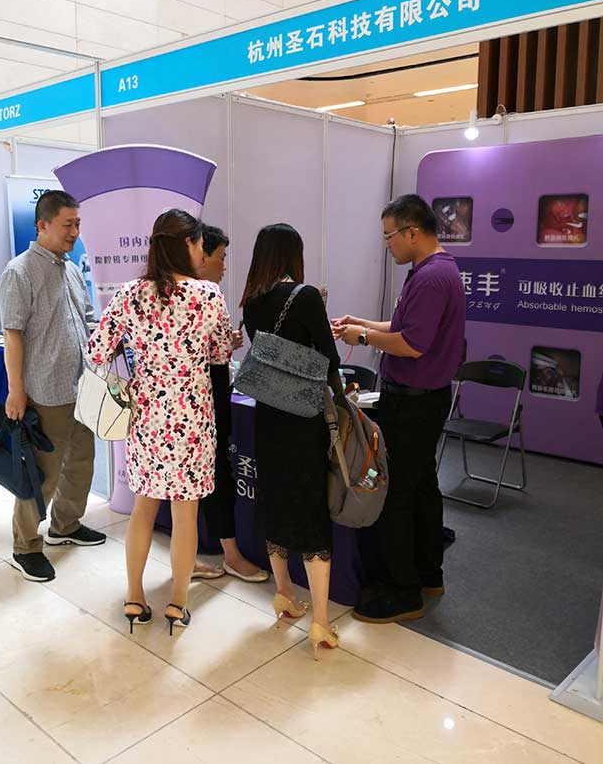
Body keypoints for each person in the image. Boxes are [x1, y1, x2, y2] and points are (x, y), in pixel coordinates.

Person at [86, 209, 232, 635]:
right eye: (199, 243)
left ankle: (134, 597)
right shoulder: (208, 296)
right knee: (186, 516)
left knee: (143, 509)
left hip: (147, 418)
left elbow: (96, 351)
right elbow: (221, 354)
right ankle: (177, 604)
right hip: (192, 421)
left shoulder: (131, 293)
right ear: (187, 244)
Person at [332, 194, 465, 624]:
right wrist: (362, 325)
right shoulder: (432, 271)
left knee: (396, 494)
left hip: (413, 403)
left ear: (412, 232)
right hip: (423, 399)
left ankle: (403, 591)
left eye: (389, 236)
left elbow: (411, 344)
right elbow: (404, 327)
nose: (387, 244)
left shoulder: (431, 278)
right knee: (422, 486)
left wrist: (362, 338)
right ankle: (428, 574)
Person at [241, 223, 340, 658]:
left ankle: (283, 593)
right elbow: (329, 360)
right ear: (293, 255)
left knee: (275, 501)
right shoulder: (306, 296)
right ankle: (320, 621)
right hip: (303, 420)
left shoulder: (251, 300)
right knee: (310, 510)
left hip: (267, 416)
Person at [0, 190, 105, 584]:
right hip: (45, 391)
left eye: (78, 224)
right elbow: (12, 335)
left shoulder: (71, 270)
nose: (75, 232)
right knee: (41, 475)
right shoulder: (19, 272)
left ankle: (66, 525)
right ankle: (25, 546)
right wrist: (16, 391)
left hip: (81, 387)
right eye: (67, 224)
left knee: (80, 463)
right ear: (42, 225)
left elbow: (88, 320)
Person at [192, 224, 269, 583]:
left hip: (188, 402)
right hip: (205, 398)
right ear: (199, 253)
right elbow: (217, 352)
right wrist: (226, 344)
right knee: (217, 472)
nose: (224, 266)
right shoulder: (207, 295)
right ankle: (231, 556)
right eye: (220, 257)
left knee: (197, 479)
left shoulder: (171, 293)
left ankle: (193, 556)